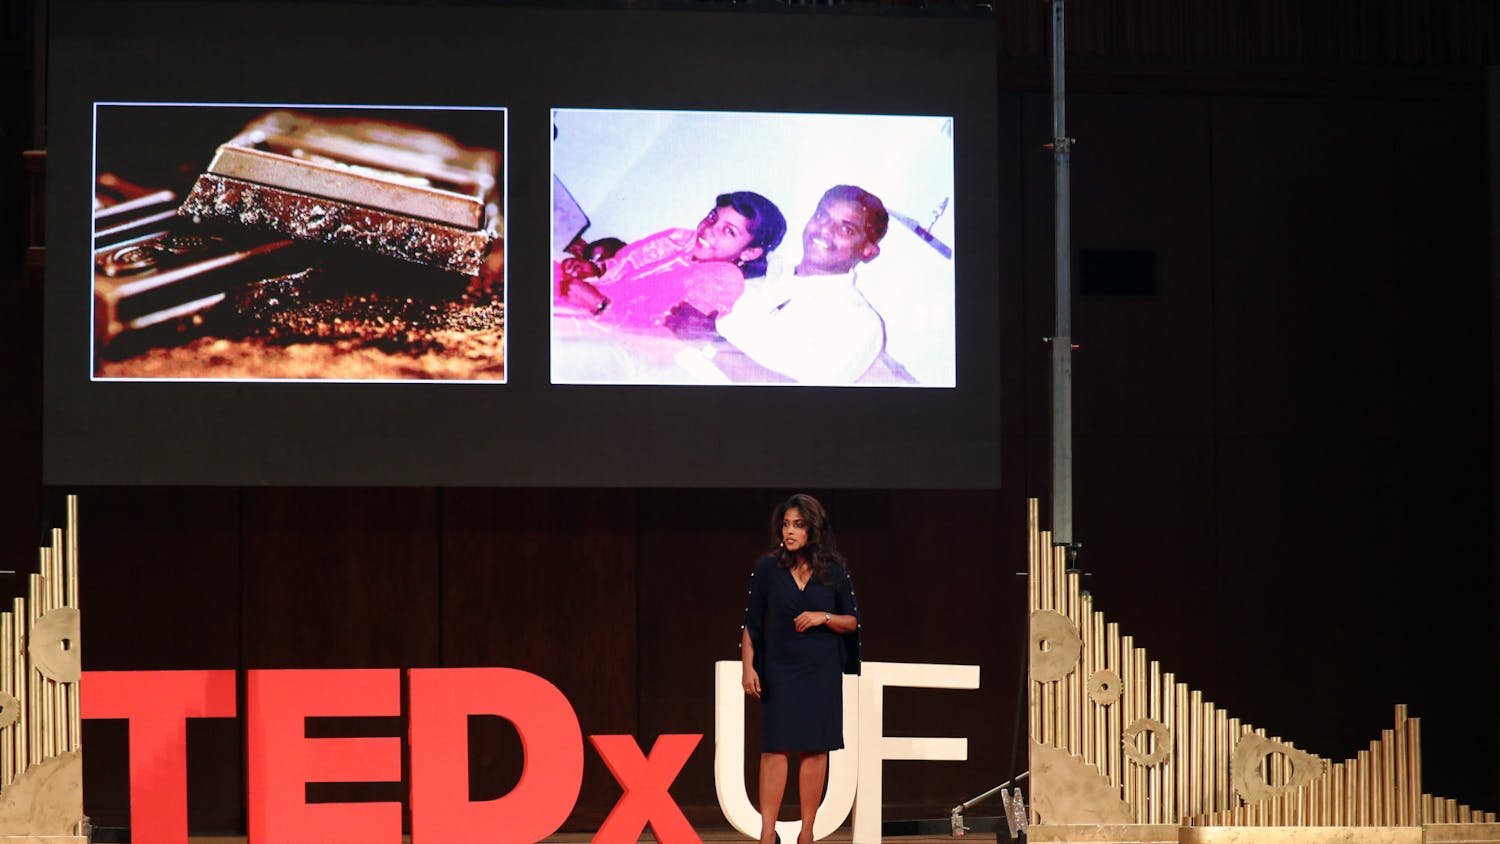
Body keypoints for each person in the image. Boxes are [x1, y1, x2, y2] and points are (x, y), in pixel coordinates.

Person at [670, 185, 888, 384]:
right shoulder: (766, 275)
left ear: (868, 251)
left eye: (846, 230)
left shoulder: (860, 321)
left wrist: (710, 343)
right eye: (822, 216)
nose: (824, 230)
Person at [740, 494, 860, 844]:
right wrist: (748, 667)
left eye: (798, 525)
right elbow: (751, 623)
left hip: (820, 670)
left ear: (814, 529)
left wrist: (822, 617)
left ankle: (807, 833)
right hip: (780, 669)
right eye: (786, 524)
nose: (789, 531)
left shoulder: (834, 570)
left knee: (814, 748)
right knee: (775, 748)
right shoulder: (767, 568)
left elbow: (851, 621)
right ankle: (767, 833)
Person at [556, 191, 786, 336]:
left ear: (749, 253)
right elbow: (623, 263)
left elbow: (665, 338)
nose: (709, 229)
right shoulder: (680, 239)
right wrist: (594, 269)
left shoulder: (725, 280)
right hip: (589, 297)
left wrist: (600, 306)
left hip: (610, 331)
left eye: (728, 231)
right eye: (712, 217)